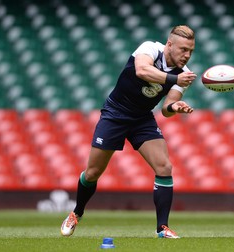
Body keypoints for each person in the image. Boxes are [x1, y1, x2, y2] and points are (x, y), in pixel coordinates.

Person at [61, 25, 197, 239]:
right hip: (115, 113)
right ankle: (77, 212)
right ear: (169, 44)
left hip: (142, 118)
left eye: (190, 50)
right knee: (93, 173)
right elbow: (141, 70)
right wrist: (174, 80)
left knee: (164, 166)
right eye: (183, 49)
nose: (187, 55)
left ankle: (162, 228)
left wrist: (175, 107)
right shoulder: (151, 48)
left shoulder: (184, 74)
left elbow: (166, 107)